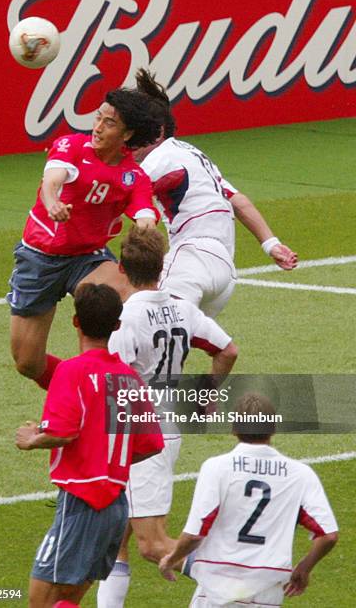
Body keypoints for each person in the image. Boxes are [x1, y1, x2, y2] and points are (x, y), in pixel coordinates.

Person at [97, 227, 238, 607]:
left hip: (139, 439)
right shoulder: (182, 308)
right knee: (116, 541)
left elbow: (118, 383)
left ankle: (238, 582)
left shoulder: (123, 320)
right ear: (162, 267)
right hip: (167, 427)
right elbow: (227, 351)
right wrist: (207, 393)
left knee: (152, 543)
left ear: (122, 269)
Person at [15, 283, 164, 608]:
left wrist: (32, 439)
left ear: (75, 322)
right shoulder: (129, 378)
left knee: (40, 601)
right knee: (67, 600)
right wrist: (111, 460)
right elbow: (152, 443)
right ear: (117, 325)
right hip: (116, 508)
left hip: (82, 503)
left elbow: (64, 432)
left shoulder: (71, 371)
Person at [7, 86, 163, 389]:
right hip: (39, 257)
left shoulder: (133, 176)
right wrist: (52, 203)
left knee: (134, 293)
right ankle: (77, 386)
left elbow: (145, 214)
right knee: (27, 362)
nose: (98, 127)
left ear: (127, 134)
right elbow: (52, 181)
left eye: (109, 123)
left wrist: (146, 231)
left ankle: (124, 379)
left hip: (87, 258)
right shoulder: (71, 146)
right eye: (98, 118)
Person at [134, 69, 298, 318]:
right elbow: (238, 201)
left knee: (135, 323)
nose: (126, 142)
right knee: (175, 343)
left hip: (193, 260)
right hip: (223, 271)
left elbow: (124, 193)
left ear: (157, 132)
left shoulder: (159, 159)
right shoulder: (193, 154)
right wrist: (271, 244)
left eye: (133, 133)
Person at [159, 393, 338, 607]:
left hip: (217, 590)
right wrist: (304, 568)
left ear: (234, 429)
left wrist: (170, 559)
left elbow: (196, 533)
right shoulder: (300, 474)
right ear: (272, 429)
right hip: (267, 594)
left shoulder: (216, 467)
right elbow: (328, 535)